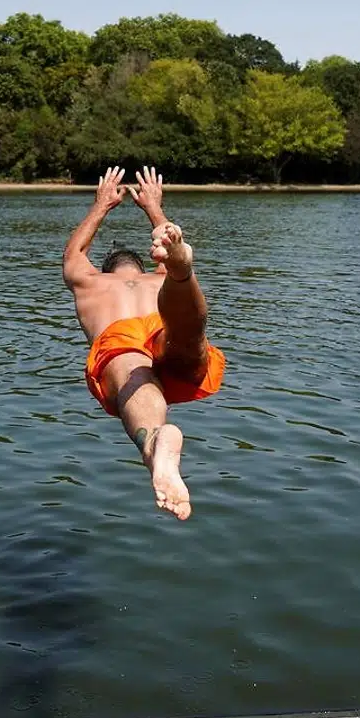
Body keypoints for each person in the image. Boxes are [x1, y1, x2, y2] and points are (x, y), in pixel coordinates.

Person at [63, 166, 227, 520]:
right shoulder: (157, 278)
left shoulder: (91, 283)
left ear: (106, 268)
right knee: (188, 335)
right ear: (143, 265)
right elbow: (165, 239)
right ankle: (184, 274)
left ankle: (153, 440)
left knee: (131, 371)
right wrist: (154, 208)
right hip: (164, 328)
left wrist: (101, 205)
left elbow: (74, 254)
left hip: (121, 338)